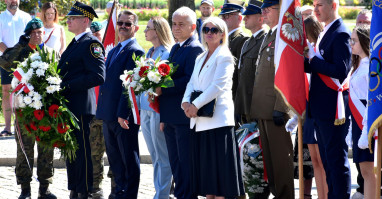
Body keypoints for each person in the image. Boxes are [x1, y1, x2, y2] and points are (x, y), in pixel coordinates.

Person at [181, 16, 245, 199]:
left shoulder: (225, 56)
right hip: (199, 121)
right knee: (207, 176)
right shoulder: (201, 56)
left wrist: (195, 105)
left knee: (220, 178)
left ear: (222, 34)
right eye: (206, 30)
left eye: (214, 30)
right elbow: (191, 83)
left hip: (217, 121)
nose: (209, 33)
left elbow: (218, 86)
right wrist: (185, 103)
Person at [0, 18, 56, 199]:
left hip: (46, 110)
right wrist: (19, 45)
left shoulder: (51, 53)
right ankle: (25, 188)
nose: (37, 35)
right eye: (33, 33)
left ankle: (45, 187)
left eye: (39, 32)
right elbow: (4, 62)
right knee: (24, 149)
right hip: (25, 110)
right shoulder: (21, 52)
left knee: (46, 148)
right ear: (27, 35)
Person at [58, 2, 105, 198]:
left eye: (73, 18)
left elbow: (98, 76)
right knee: (72, 151)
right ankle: (75, 188)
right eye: (68, 18)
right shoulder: (75, 42)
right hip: (69, 106)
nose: (68, 21)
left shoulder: (91, 43)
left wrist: (66, 86)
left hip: (81, 107)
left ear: (85, 21)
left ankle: (84, 190)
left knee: (83, 152)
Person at [305, 0, 352, 197]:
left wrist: (313, 60)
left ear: (333, 5)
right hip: (321, 108)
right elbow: (317, 68)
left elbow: (340, 71)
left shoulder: (340, 32)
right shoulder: (326, 31)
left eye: (320, 5)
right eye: (314, 5)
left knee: (335, 162)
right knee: (327, 162)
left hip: (333, 109)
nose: (315, 9)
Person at [96, 10, 144, 199]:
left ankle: (130, 194)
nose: (123, 27)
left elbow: (130, 87)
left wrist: (123, 113)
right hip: (108, 114)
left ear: (135, 28)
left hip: (123, 116)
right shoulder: (115, 49)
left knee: (129, 159)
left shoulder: (136, 50)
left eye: (127, 24)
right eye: (120, 23)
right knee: (115, 159)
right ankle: (120, 191)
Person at [157, 6, 204, 199]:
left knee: (186, 163)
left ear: (193, 26)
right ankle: (181, 195)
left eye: (181, 24)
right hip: (170, 115)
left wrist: (164, 87)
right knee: (176, 163)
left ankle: (187, 196)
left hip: (183, 116)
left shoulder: (195, 48)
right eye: (174, 24)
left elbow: (190, 81)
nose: (176, 28)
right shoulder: (176, 47)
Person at [249, 0, 294, 198]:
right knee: (270, 162)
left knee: (280, 162)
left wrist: (281, 106)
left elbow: (288, 73)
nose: (263, 12)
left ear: (280, 9)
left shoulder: (282, 36)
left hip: (275, 109)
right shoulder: (270, 34)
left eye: (268, 9)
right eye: (263, 9)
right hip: (262, 108)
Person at [139, 16, 174, 199]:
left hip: (157, 109)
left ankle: (162, 195)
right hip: (145, 108)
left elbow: (166, 84)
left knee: (162, 156)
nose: (145, 31)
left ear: (158, 30)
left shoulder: (167, 53)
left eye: (148, 28)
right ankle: (159, 191)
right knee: (154, 156)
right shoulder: (149, 52)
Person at [348, 25, 375, 199]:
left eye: (354, 41)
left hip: (367, 125)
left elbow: (370, 102)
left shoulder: (369, 69)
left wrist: (366, 131)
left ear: (365, 41)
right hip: (359, 124)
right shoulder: (359, 66)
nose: (351, 44)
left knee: (368, 172)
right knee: (363, 170)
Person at [303, 15, 328, 199]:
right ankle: (320, 195)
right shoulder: (306, 52)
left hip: (321, 107)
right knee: (314, 160)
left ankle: (325, 195)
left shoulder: (318, 53)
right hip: (308, 109)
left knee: (322, 159)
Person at [0, 0, 31, 137]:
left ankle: (22, 126)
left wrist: (19, 55)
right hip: (6, 62)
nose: (14, 1)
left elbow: (30, 39)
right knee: (6, 90)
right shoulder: (0, 17)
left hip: (23, 61)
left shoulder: (26, 17)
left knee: (23, 91)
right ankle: (7, 127)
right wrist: (11, 55)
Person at [235, 0, 265, 124]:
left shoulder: (264, 40)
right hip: (244, 105)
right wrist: (238, 106)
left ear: (260, 19)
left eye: (249, 16)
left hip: (257, 106)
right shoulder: (247, 42)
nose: (244, 18)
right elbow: (242, 76)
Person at [218, 0, 249, 102]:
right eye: (222, 16)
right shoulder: (221, 38)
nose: (223, 18)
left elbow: (240, 73)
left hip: (232, 94)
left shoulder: (242, 39)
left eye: (228, 16)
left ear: (240, 18)